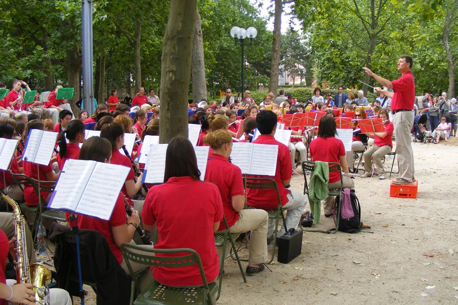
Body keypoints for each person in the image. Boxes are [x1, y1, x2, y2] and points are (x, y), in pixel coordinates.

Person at [142, 136, 223, 286]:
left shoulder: (155, 192)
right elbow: (214, 227)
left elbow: (147, 226)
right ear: (193, 160)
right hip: (204, 274)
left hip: (166, 274)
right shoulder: (212, 190)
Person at [204, 130, 268, 275]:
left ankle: (216, 264)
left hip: (204, 219)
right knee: (263, 216)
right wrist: (242, 195)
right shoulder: (232, 170)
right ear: (226, 146)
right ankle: (255, 262)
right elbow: (237, 206)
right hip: (224, 221)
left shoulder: (200, 165)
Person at [246, 111, 307, 238]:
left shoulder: (248, 147)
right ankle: (283, 234)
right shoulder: (282, 148)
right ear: (275, 127)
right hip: (275, 199)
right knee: (301, 200)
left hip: (251, 199)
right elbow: (286, 182)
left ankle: (267, 234)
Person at [363, 56, 416, 185]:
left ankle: (406, 178)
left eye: (401, 61)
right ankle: (408, 175)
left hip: (402, 114)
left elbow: (389, 84)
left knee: (402, 147)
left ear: (408, 64)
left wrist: (373, 74)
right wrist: (383, 92)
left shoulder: (406, 78)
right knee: (405, 146)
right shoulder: (406, 79)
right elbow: (394, 94)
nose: (398, 63)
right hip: (402, 113)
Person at [309, 116, 354, 217]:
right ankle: (346, 209)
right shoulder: (338, 143)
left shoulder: (313, 143)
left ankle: (328, 209)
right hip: (334, 180)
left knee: (326, 177)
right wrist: (347, 174)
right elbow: (343, 163)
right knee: (350, 183)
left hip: (318, 180)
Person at [23, 120, 59, 207]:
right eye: (45, 130)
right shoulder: (41, 152)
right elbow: (52, 178)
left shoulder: (27, 149)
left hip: (29, 193)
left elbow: (36, 168)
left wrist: (51, 161)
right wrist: (65, 170)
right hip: (41, 195)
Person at [362, 110, 393, 180]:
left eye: (384, 117)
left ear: (387, 117)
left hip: (386, 145)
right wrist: (365, 131)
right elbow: (373, 136)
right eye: (381, 117)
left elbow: (383, 135)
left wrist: (374, 131)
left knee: (376, 155)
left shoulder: (390, 125)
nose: (382, 119)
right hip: (377, 144)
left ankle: (382, 173)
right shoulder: (377, 124)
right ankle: (368, 172)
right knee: (366, 154)